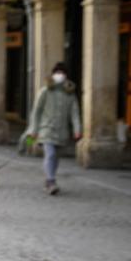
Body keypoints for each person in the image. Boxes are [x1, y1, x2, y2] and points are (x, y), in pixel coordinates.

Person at [27, 62, 82, 195]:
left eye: (62, 73)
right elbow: (37, 111)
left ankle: (49, 179)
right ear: (53, 74)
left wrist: (77, 129)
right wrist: (33, 131)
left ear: (66, 76)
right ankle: (51, 181)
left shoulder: (70, 94)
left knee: (56, 157)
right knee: (50, 154)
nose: (60, 75)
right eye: (57, 73)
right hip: (46, 129)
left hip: (62, 132)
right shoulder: (45, 91)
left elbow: (75, 113)